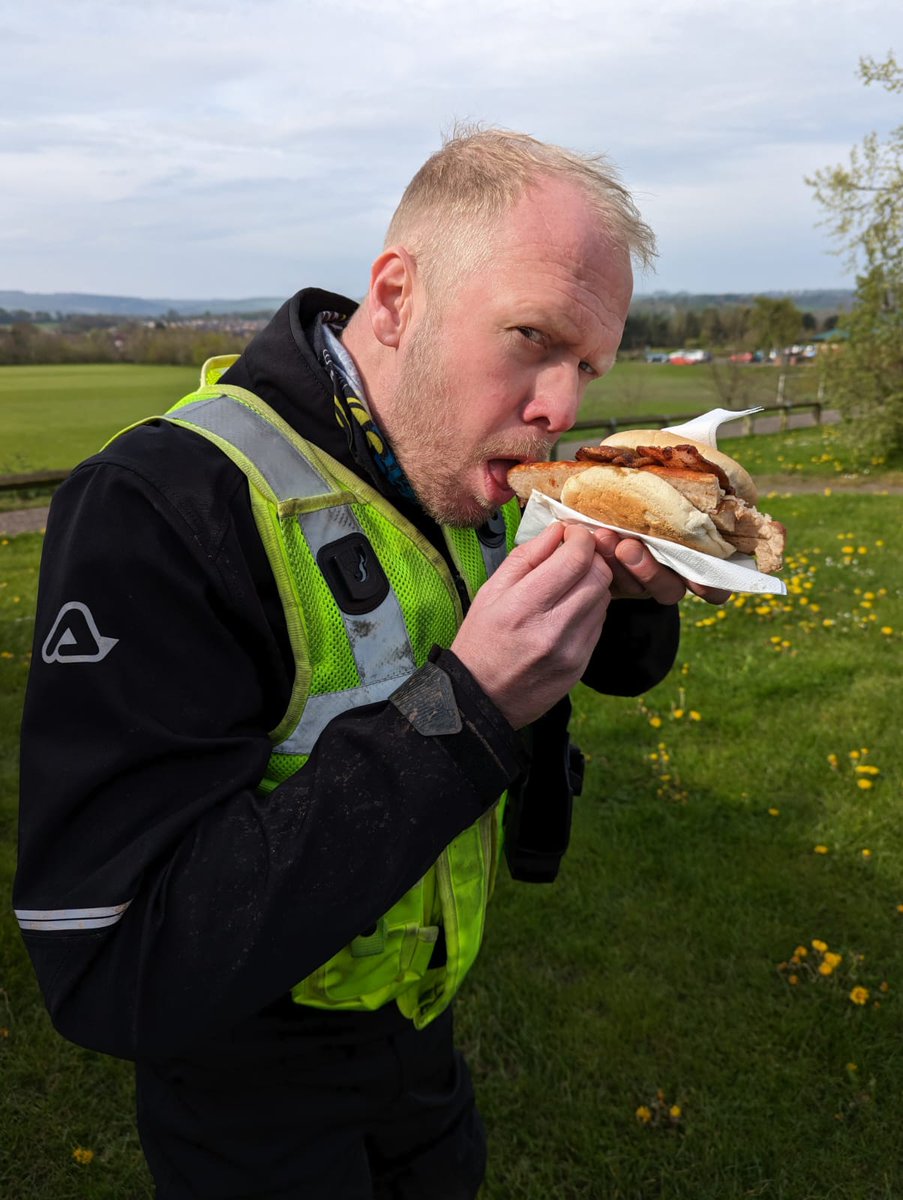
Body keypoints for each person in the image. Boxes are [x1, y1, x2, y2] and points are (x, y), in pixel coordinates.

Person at [14, 128, 728, 1199]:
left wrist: (629, 593)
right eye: (531, 337)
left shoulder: (452, 458)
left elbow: (614, 674)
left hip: (421, 1044)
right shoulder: (162, 505)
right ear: (395, 299)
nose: (563, 410)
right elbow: (114, 964)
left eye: (585, 366)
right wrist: (472, 704)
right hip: (247, 1089)